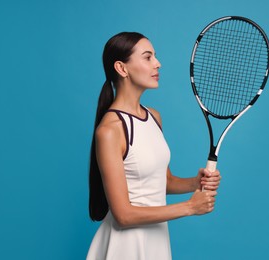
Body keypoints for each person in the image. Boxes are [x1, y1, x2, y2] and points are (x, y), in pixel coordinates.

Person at [87, 32, 221, 260]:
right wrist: (189, 207)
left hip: (156, 240)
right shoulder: (110, 130)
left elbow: (163, 182)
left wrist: (195, 183)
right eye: (147, 57)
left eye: (155, 57)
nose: (157, 64)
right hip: (125, 246)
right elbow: (123, 215)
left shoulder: (154, 117)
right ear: (122, 68)